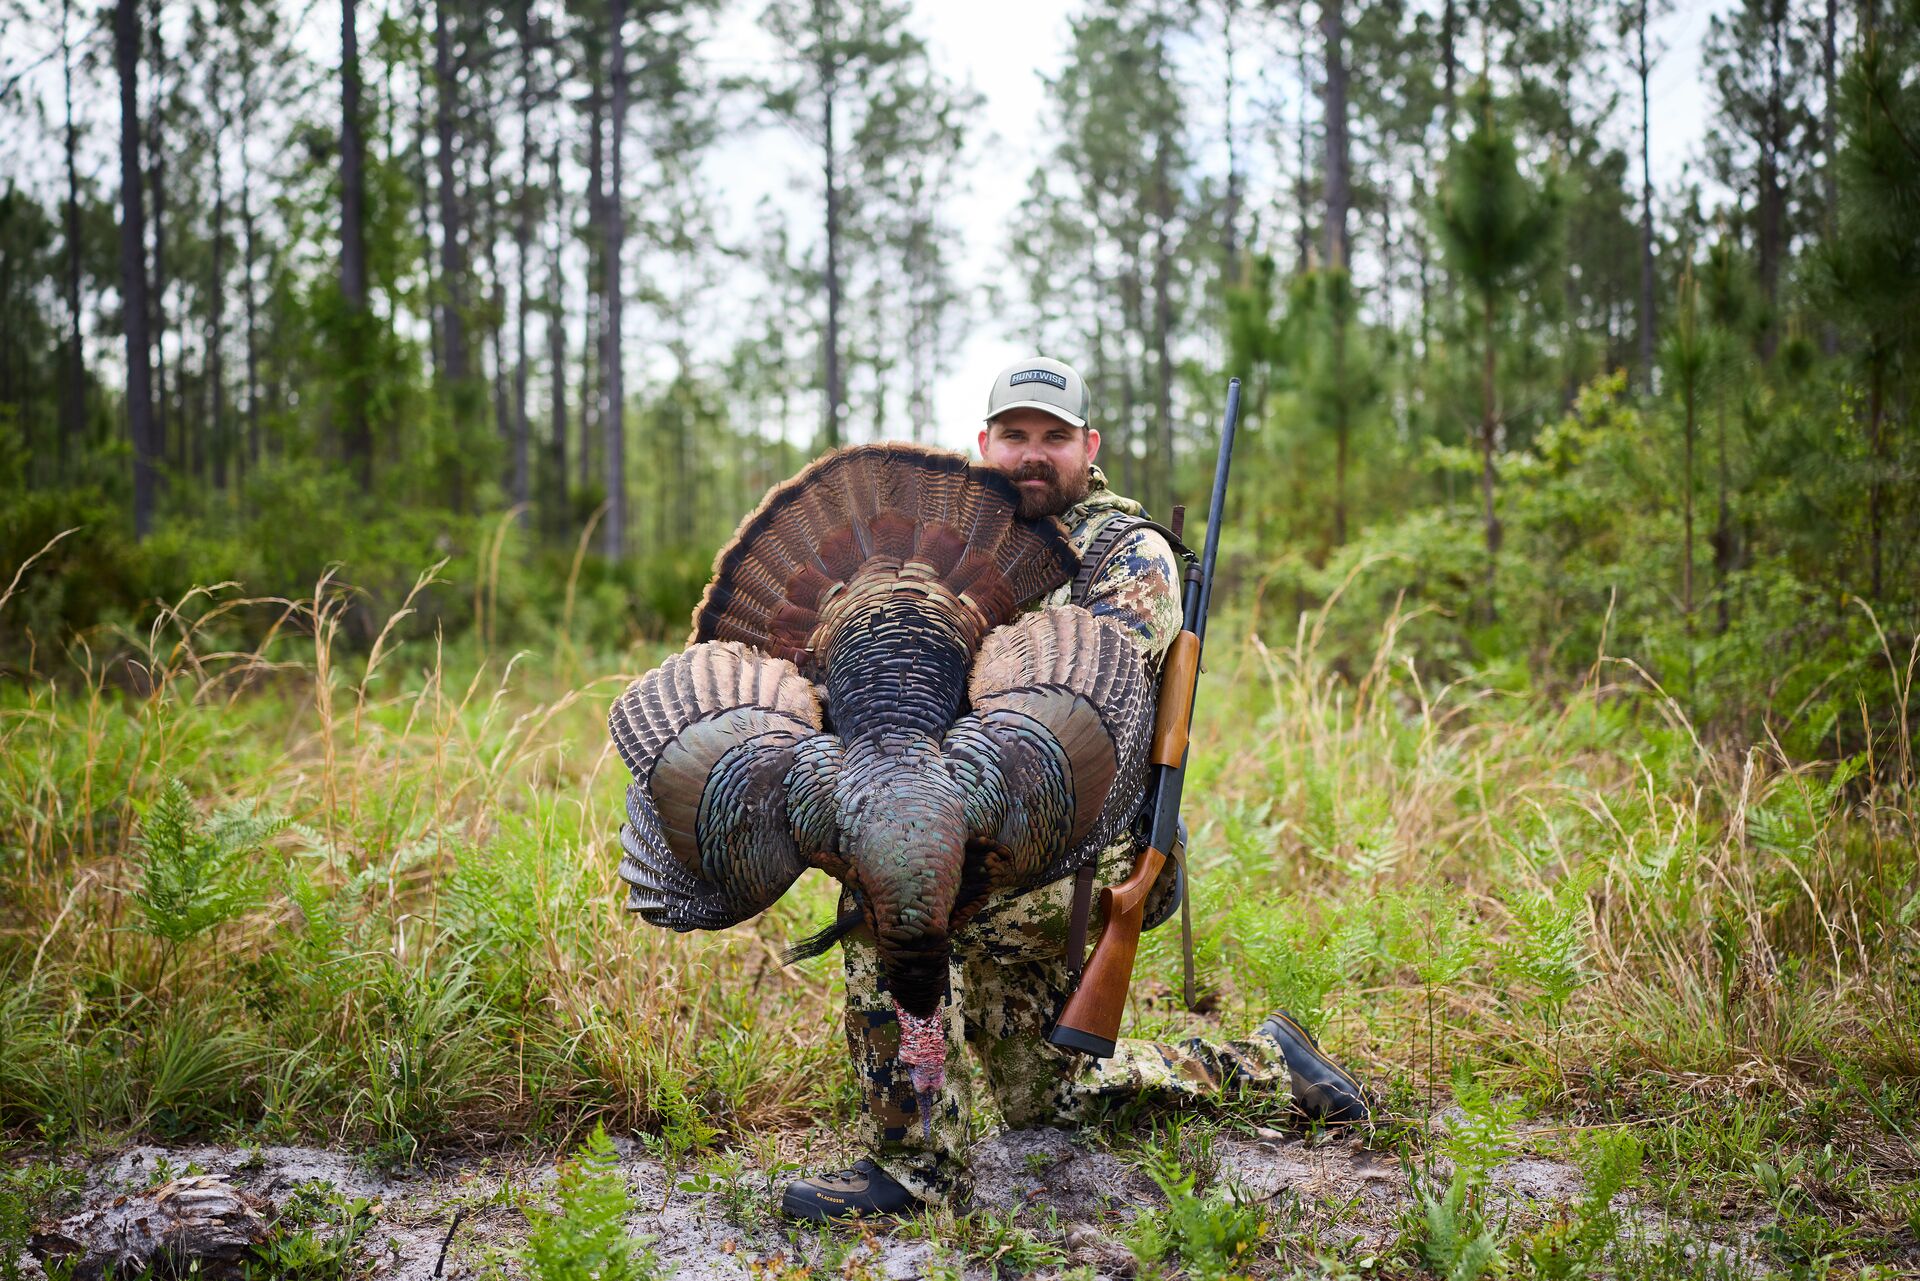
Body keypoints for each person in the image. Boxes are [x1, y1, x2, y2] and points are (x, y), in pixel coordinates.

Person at [780, 357, 1370, 1222]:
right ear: (983, 443)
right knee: (1051, 1100)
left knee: (894, 891)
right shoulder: (941, 548)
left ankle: (914, 1167)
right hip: (985, 835)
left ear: (1089, 447)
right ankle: (1272, 1061)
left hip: (1082, 849)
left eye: (1054, 436)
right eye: (1014, 434)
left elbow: (1086, 702)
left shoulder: (1128, 554)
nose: (1032, 453)